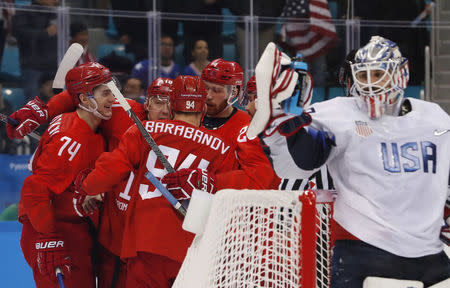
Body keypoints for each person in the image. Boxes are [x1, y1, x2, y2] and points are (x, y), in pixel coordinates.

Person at [250, 38, 450, 287]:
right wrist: (288, 121)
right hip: (362, 247)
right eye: (363, 76)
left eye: (377, 74)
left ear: (400, 73)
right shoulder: (339, 113)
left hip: (427, 251)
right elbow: (304, 159)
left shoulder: (434, 118)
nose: (369, 84)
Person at [74, 75, 237, 287]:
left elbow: (105, 174)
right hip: (194, 253)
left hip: (145, 246)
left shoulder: (144, 131)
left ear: (172, 107)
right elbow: (230, 199)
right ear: (203, 109)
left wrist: (86, 186)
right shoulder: (222, 147)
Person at [18, 62, 114, 288]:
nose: (112, 99)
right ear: (84, 99)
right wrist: (47, 238)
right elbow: (35, 188)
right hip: (53, 230)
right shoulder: (69, 140)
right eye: (105, 93)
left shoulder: (83, 118)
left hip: (71, 226)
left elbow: (67, 96)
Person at [12, 0, 59, 103]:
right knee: (33, 102)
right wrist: (45, 33)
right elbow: (19, 34)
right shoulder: (24, 12)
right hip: (32, 67)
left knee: (58, 103)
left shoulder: (57, 14)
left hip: (54, 66)